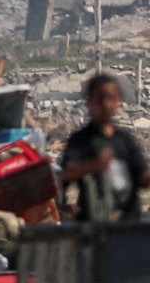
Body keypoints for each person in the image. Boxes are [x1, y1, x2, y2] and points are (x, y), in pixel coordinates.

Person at [62, 74, 150, 222]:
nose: (105, 104)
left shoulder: (125, 140)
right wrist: (94, 165)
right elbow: (64, 174)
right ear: (89, 102)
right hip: (93, 225)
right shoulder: (80, 141)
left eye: (111, 98)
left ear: (118, 102)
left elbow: (141, 174)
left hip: (128, 223)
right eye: (100, 99)